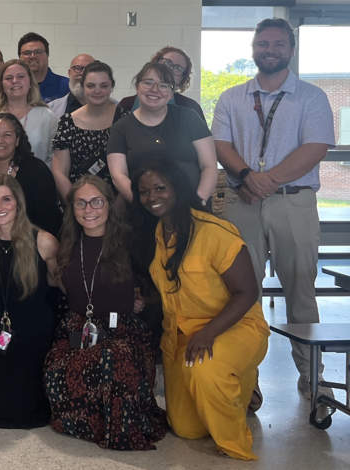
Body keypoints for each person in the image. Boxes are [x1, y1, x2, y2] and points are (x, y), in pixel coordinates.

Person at [213, 17, 336, 402]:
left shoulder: (312, 97)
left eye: (278, 45)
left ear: (291, 50)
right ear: (253, 49)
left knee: (300, 287)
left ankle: (312, 376)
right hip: (242, 202)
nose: (270, 50)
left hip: (293, 203)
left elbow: (315, 147)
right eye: (263, 44)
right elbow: (220, 145)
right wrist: (249, 176)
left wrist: (267, 181)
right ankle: (247, 378)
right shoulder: (232, 97)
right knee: (240, 291)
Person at [130, 158, 269, 460]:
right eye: (144, 192)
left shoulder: (215, 231)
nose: (152, 197)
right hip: (181, 335)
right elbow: (171, 290)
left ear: (177, 188)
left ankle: (235, 443)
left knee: (206, 368)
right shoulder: (153, 236)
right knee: (186, 428)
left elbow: (247, 292)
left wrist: (209, 333)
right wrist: (143, 298)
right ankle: (228, 388)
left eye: (160, 188)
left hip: (235, 327)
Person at [44, 175, 169, 449]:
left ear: (109, 204)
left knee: (115, 358)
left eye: (96, 201)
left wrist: (143, 300)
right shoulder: (67, 242)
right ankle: (87, 423)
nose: (89, 210)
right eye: (81, 203)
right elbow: (63, 283)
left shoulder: (130, 240)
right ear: (72, 208)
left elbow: (161, 285)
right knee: (55, 368)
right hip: (79, 329)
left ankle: (114, 426)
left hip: (123, 331)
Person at [0, 174, 58, 428]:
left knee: (23, 407)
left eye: (6, 199)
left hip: (32, 327)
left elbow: (59, 284)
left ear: (18, 201)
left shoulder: (44, 241)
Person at [107, 62, 217, 203]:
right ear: (137, 87)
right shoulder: (120, 128)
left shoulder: (189, 117)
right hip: (145, 211)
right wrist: (142, 205)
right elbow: (119, 176)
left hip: (193, 208)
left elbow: (209, 166)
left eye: (164, 85)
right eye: (148, 83)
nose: (155, 89)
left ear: (171, 93)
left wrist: (198, 201)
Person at [0, 113, 61, 236]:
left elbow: (47, 221)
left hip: (28, 244)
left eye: (7, 135)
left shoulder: (37, 171)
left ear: (17, 141)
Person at [52, 60, 128, 198]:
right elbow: (59, 173)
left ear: (112, 86)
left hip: (118, 203)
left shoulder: (126, 120)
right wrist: (76, 204)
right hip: (77, 201)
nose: (97, 91)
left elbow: (131, 169)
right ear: (83, 87)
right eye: (91, 86)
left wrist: (118, 208)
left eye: (103, 85)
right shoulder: (67, 122)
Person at [0, 59, 59, 168]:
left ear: (30, 83)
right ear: (1, 86)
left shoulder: (47, 116)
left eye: (21, 76)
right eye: (8, 78)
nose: (15, 81)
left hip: (36, 181)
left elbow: (53, 158)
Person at [118, 47, 205, 121]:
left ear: (182, 78)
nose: (170, 69)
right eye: (167, 63)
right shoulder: (127, 104)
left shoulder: (191, 108)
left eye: (178, 68)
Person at [17, 32, 68, 103]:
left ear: (47, 55)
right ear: (19, 58)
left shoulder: (66, 86)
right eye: (27, 53)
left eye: (38, 52)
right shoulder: (14, 87)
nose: (32, 56)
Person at [47, 53, 95, 118]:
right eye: (78, 68)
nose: (83, 73)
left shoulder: (112, 108)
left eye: (89, 69)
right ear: (69, 73)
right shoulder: (51, 110)